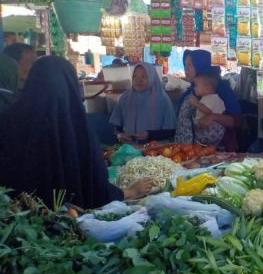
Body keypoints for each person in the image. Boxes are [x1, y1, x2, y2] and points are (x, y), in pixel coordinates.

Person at [0, 56, 152, 209]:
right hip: (64, 224)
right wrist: (130, 192)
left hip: (15, 220)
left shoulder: (8, 122)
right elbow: (95, 188)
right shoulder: (77, 128)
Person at [177, 49, 241, 150]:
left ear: (202, 65)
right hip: (189, 152)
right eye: (185, 65)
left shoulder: (222, 89)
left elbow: (237, 121)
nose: (186, 69)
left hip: (217, 151)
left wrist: (213, 117)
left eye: (190, 65)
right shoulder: (190, 92)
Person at [110, 62, 176, 143]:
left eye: (143, 76)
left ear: (152, 78)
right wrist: (120, 136)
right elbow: (117, 128)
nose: (138, 80)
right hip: (129, 150)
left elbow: (171, 131)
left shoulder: (163, 99)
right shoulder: (124, 98)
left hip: (156, 152)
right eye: (135, 76)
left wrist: (149, 135)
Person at [187, 72, 227, 146]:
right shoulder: (217, 98)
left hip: (209, 131)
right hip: (219, 131)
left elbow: (208, 111)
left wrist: (196, 103)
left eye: (196, 86)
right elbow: (223, 111)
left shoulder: (210, 99)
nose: (194, 88)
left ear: (207, 88)